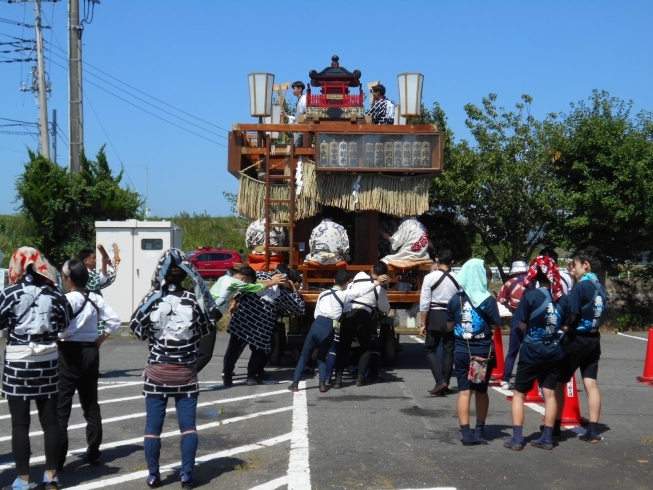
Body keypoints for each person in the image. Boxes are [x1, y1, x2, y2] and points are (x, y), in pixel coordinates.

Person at [129, 248, 215, 489]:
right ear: (186, 272)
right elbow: (207, 327)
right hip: (186, 371)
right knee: (188, 427)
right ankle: (187, 474)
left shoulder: (152, 298)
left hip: (157, 370)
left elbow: (136, 329)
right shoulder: (193, 299)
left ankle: (154, 475)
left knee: (152, 428)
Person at [0, 247, 68, 490]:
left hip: (18, 363)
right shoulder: (55, 293)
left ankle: (23, 479)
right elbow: (64, 322)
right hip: (47, 362)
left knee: (20, 424)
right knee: (50, 421)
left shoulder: (9, 293)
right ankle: (51, 476)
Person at [57, 259, 122, 470]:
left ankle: (58, 459)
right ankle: (93, 452)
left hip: (68, 353)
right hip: (91, 351)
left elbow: (57, 326)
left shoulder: (66, 299)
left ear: (69, 279)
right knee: (91, 405)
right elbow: (115, 322)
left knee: (62, 407)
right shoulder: (95, 298)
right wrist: (101, 339)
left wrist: (57, 337)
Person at [503, 256, 570, 451]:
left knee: (519, 394)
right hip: (554, 351)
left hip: (531, 351)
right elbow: (565, 326)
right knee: (550, 395)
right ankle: (547, 438)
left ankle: (517, 439)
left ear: (534, 275)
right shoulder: (562, 298)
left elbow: (521, 324)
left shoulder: (530, 297)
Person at [288, 270, 390, 393]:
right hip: (330, 327)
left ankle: (295, 384)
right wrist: (377, 283)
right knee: (322, 357)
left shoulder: (323, 294)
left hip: (317, 323)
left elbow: (316, 313)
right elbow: (361, 291)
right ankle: (322, 385)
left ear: (334, 281)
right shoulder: (344, 295)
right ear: (347, 284)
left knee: (304, 356)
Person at [554, 246, 607, 444]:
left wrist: (563, 326)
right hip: (594, 338)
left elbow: (572, 314)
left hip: (576, 339)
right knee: (591, 384)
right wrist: (575, 277)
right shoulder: (599, 286)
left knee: (560, 381)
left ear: (585, 264)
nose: (572, 269)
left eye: (575, 265)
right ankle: (592, 431)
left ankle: (556, 426)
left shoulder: (579, 287)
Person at [446, 259, 501, 446]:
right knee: (481, 391)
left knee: (464, 392)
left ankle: (466, 433)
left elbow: (449, 325)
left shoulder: (455, 299)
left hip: (462, 349)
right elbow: (495, 325)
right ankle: (480, 430)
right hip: (482, 352)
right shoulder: (487, 299)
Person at [222, 268, 305, 386]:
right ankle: (251, 376)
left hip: (243, 318)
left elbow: (243, 289)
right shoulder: (284, 293)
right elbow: (299, 307)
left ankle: (228, 375)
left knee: (234, 348)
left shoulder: (260, 276)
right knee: (257, 350)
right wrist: (292, 288)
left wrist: (235, 302)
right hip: (261, 324)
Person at [195, 267, 285, 373]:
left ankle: (184, 376)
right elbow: (256, 287)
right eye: (247, 281)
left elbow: (255, 282)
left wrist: (272, 280)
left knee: (195, 351)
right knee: (205, 354)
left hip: (201, 315)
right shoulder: (234, 282)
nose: (247, 284)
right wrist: (274, 282)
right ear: (243, 278)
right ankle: (186, 378)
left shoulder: (224, 278)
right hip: (209, 318)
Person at [334, 261, 391, 388]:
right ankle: (360, 378)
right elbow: (384, 307)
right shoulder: (379, 288)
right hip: (364, 316)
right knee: (366, 347)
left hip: (347, 314)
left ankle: (338, 380)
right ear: (384, 275)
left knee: (343, 347)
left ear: (372, 269)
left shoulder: (356, 279)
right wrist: (384, 288)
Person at [419, 249, 459, 396]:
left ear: (437, 260)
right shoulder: (458, 278)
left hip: (435, 315)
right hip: (452, 316)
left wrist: (423, 323)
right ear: (452, 262)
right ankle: (445, 383)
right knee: (449, 350)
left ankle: (439, 380)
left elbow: (424, 302)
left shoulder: (430, 278)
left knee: (429, 349)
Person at [496, 260, 529, 390]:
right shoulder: (532, 282)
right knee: (529, 349)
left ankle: (505, 379)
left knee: (512, 350)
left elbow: (500, 300)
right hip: (531, 316)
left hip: (516, 315)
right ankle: (526, 379)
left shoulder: (509, 283)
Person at [280, 81, 307, 147]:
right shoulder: (299, 100)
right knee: (294, 147)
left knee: (293, 147)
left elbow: (305, 116)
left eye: (294, 88)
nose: (292, 91)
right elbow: (298, 117)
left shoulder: (304, 99)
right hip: (299, 128)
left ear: (300, 89)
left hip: (302, 128)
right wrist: (287, 116)